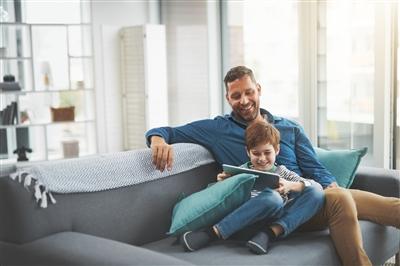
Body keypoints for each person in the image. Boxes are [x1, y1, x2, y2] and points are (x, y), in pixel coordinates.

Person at [146, 66, 400, 266]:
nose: (244, 100)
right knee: (340, 200)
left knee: (382, 204)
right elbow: (166, 131)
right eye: (236, 96)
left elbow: (314, 167)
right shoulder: (217, 130)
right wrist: (157, 140)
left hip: (306, 196)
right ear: (228, 98)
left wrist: (330, 185)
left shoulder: (288, 127)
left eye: (248, 92)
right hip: (270, 206)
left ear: (258, 89)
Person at [180, 121, 325, 254]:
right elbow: (216, 200)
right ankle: (212, 233)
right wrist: (221, 184)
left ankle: (269, 234)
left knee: (317, 192)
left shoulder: (282, 172)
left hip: (274, 224)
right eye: (256, 153)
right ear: (248, 152)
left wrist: (289, 185)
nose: (262, 159)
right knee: (273, 199)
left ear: (277, 150)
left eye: (267, 152)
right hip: (244, 223)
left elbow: (315, 186)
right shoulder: (238, 172)